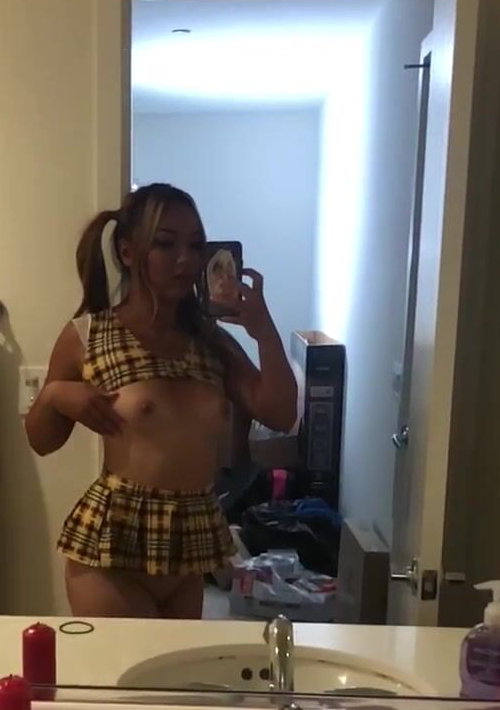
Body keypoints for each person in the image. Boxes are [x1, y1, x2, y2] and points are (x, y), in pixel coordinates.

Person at [25, 183, 297, 619]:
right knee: (132, 666)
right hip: (113, 552)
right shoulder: (88, 335)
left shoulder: (211, 342)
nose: (185, 260)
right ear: (128, 252)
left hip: (186, 553)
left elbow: (281, 413)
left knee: (173, 667)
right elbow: (41, 441)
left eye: (195, 245)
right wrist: (55, 395)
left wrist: (263, 329)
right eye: (166, 244)